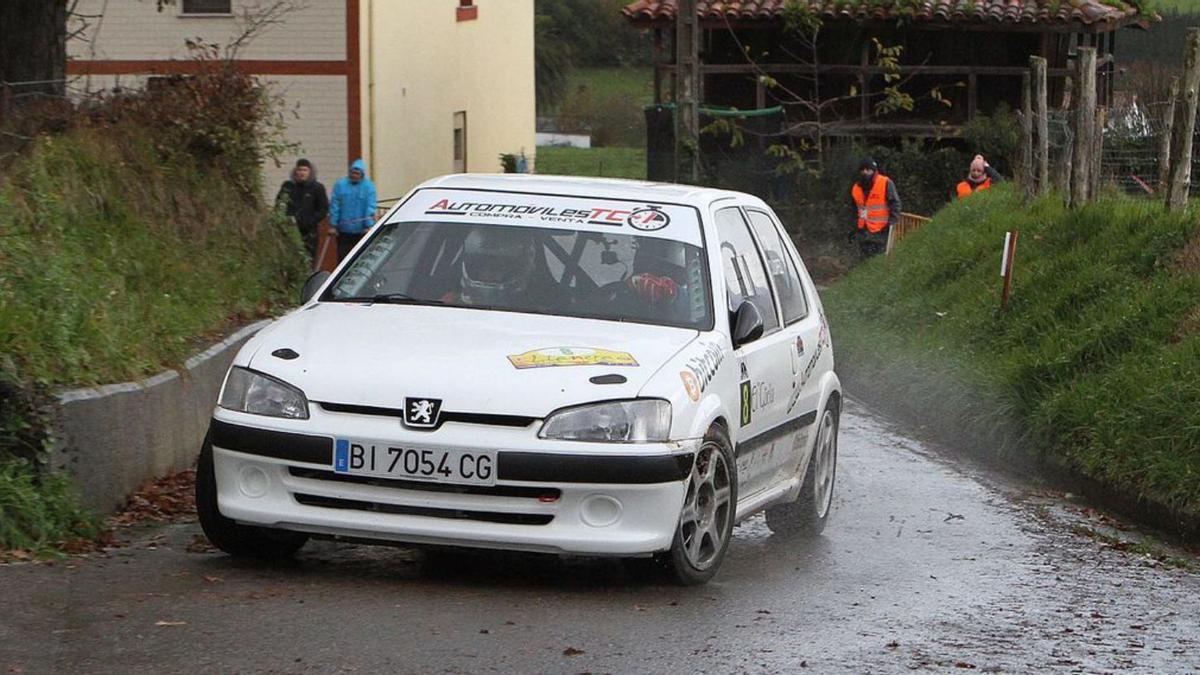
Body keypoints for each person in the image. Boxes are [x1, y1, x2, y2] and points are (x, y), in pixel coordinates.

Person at [275, 158, 329, 260]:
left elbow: (323, 209)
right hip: (289, 230)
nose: (302, 173)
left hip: (309, 232)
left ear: (310, 172)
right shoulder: (288, 186)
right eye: (299, 170)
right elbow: (279, 204)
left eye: (305, 170)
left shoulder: (317, 188)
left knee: (308, 260)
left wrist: (310, 221)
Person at [849, 157, 901, 258]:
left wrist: (891, 224)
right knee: (864, 261)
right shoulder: (856, 188)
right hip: (863, 232)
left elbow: (895, 204)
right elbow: (853, 210)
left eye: (868, 169)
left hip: (881, 231)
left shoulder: (885, 182)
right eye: (862, 170)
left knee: (879, 259)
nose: (865, 172)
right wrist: (854, 228)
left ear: (874, 170)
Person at [329, 158, 378, 261]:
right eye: (353, 173)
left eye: (357, 173)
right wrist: (333, 224)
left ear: (362, 174)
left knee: (360, 258)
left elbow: (370, 206)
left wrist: (368, 225)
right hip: (343, 229)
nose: (354, 175)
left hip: (361, 230)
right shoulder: (340, 185)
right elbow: (335, 205)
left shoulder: (368, 187)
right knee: (342, 257)